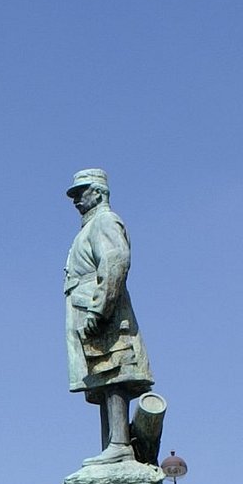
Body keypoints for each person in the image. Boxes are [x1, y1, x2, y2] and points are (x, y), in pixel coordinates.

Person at [63, 169, 153, 464]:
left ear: (99, 193)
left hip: (101, 312)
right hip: (90, 309)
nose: (76, 200)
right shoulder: (89, 227)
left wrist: (98, 309)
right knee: (105, 379)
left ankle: (119, 444)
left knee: (115, 374)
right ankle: (115, 446)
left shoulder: (104, 221)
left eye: (82, 192)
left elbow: (115, 262)